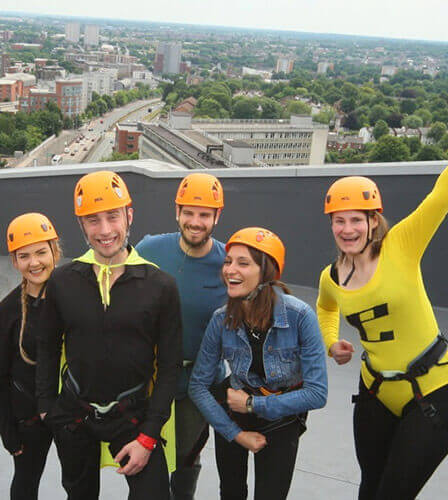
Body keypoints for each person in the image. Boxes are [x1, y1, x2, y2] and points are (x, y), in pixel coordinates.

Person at [316, 99, 448, 500]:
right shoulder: (332, 277)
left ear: (373, 220)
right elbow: (326, 307)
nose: (348, 229)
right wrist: (332, 341)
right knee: (370, 489)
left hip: (434, 390)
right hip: (376, 392)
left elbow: (441, 195)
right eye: (339, 221)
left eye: (357, 219)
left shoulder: (401, 245)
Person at [35, 170, 182, 500]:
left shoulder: (159, 285)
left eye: (112, 217)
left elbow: (170, 366)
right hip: (75, 413)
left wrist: (148, 435)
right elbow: (47, 344)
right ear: (81, 225)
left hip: (132, 415)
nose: (104, 231)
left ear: (128, 216)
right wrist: (47, 406)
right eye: (92, 220)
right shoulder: (63, 282)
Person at [189, 227, 328, 500]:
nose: (230, 270)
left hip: (281, 417)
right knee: (231, 492)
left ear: (267, 273)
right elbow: (198, 385)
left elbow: (317, 393)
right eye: (228, 261)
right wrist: (236, 434)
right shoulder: (221, 320)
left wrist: (254, 405)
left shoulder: (300, 317)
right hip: (234, 412)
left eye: (243, 263)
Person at [136, 172, 226, 499]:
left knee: (187, 458)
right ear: (177, 212)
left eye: (204, 214)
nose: (195, 221)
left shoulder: (230, 263)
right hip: (152, 377)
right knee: (147, 452)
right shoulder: (149, 249)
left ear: (217, 217)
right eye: (188, 212)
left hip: (197, 383)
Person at [0, 213, 61, 500]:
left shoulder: (73, 297)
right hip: (28, 418)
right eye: (24, 256)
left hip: (69, 413)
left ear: (54, 251)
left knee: (78, 481)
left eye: (41, 252)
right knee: (25, 482)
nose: (34, 263)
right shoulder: (8, 311)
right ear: (14, 261)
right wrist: (7, 431)